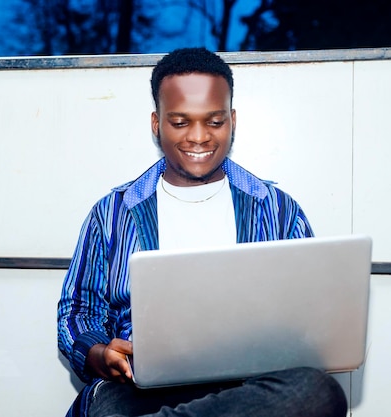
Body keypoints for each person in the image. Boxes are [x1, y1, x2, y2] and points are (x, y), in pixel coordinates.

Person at [57, 47, 347, 417]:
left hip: (246, 388)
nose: (199, 137)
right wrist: (99, 353)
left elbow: (310, 315)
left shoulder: (277, 209)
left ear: (233, 121)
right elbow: (78, 311)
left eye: (214, 121)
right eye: (180, 122)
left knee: (317, 392)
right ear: (156, 123)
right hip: (139, 388)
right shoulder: (112, 213)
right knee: (108, 408)